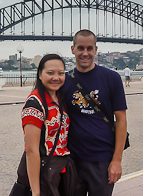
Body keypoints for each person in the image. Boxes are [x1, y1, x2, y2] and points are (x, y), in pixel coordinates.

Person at [62, 29, 127, 196]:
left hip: (102, 160)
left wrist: (116, 161)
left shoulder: (112, 78)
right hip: (72, 159)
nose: (85, 53)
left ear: (96, 50)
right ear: (72, 49)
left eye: (89, 48)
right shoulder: (64, 81)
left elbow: (121, 120)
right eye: (81, 48)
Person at [19, 54, 76, 196]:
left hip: (59, 171)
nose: (56, 77)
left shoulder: (59, 99)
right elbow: (31, 150)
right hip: (44, 173)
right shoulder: (34, 104)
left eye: (61, 73)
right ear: (40, 74)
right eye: (50, 73)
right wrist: (36, 192)